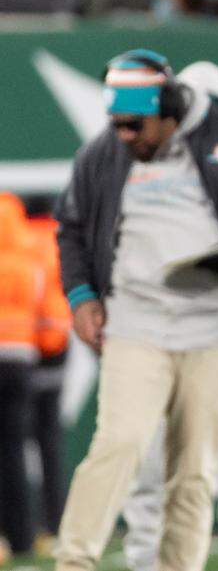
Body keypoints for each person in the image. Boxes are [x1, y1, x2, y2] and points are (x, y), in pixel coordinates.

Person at [53, 49, 218, 571]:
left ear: (169, 110)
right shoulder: (105, 153)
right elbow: (72, 227)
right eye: (115, 123)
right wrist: (81, 296)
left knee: (195, 472)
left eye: (134, 125)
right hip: (136, 325)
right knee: (119, 444)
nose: (123, 135)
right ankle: (73, 562)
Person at [20, 193, 73, 557]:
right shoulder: (63, 243)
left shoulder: (16, 243)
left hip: (18, 349)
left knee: (10, 446)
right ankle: (56, 526)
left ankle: (16, 528)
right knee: (50, 441)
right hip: (55, 347)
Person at [0, 193, 43, 563]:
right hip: (21, 359)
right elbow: (46, 310)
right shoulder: (28, 263)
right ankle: (22, 538)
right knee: (13, 450)